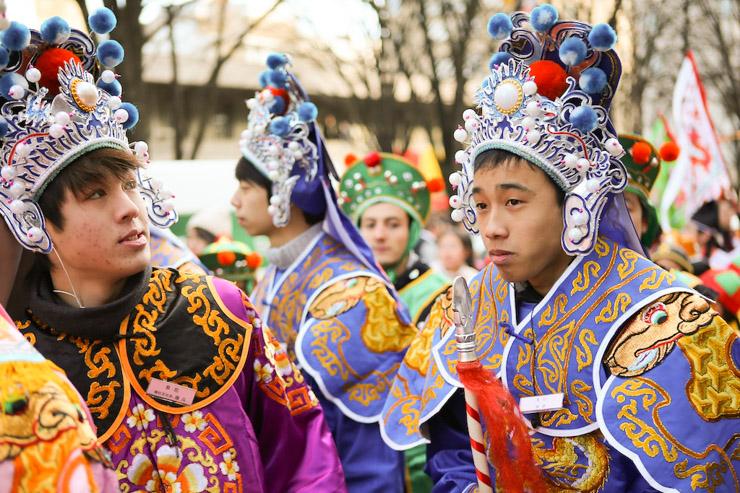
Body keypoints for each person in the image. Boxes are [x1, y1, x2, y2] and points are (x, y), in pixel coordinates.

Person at [381, 5, 739, 492]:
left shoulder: (668, 320)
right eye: (480, 206)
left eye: (514, 202)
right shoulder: (464, 309)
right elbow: (452, 451)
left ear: (575, 205)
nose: (493, 227)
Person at [1, 14, 344, 492]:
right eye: (96, 195)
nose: (128, 210)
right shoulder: (22, 367)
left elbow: (306, 461)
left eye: (128, 185)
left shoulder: (219, 310)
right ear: (36, 221)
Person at [233, 54, 415, 492]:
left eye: (244, 188)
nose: (235, 201)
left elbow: (369, 453)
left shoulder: (353, 294)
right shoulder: (271, 278)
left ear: (283, 193)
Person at [338, 152, 449, 492]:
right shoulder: (344, 293)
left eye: (393, 224)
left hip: (423, 448)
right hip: (358, 451)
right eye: (369, 225)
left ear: (413, 228)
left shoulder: (439, 294)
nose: (380, 235)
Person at [619, 134, 678, 252]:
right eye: (607, 206)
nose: (616, 215)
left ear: (644, 222)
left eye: (627, 207)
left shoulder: (656, 271)